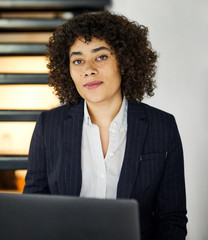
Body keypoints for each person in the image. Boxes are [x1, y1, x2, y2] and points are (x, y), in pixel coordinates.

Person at [23, 11, 187, 240]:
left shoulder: (162, 127)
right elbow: (33, 209)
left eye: (101, 57)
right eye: (77, 60)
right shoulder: (49, 126)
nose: (88, 69)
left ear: (124, 60)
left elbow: (172, 219)